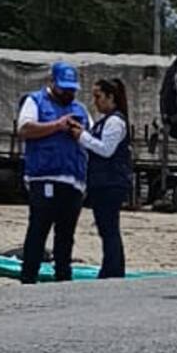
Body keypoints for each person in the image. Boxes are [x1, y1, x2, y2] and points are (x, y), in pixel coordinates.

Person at [17, 62, 90, 284]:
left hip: (73, 181)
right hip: (44, 177)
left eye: (71, 88)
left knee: (66, 236)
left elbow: (91, 142)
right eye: (64, 87)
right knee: (39, 230)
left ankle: (63, 279)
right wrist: (56, 125)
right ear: (52, 83)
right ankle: (29, 277)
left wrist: (80, 133)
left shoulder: (80, 109)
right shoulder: (35, 101)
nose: (68, 92)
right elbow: (24, 129)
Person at [72, 79, 131, 279]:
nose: (95, 101)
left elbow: (106, 149)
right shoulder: (105, 121)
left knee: (109, 227)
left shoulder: (115, 121)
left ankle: (113, 269)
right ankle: (111, 266)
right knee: (106, 227)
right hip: (103, 181)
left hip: (111, 182)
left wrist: (82, 136)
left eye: (98, 96)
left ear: (110, 97)